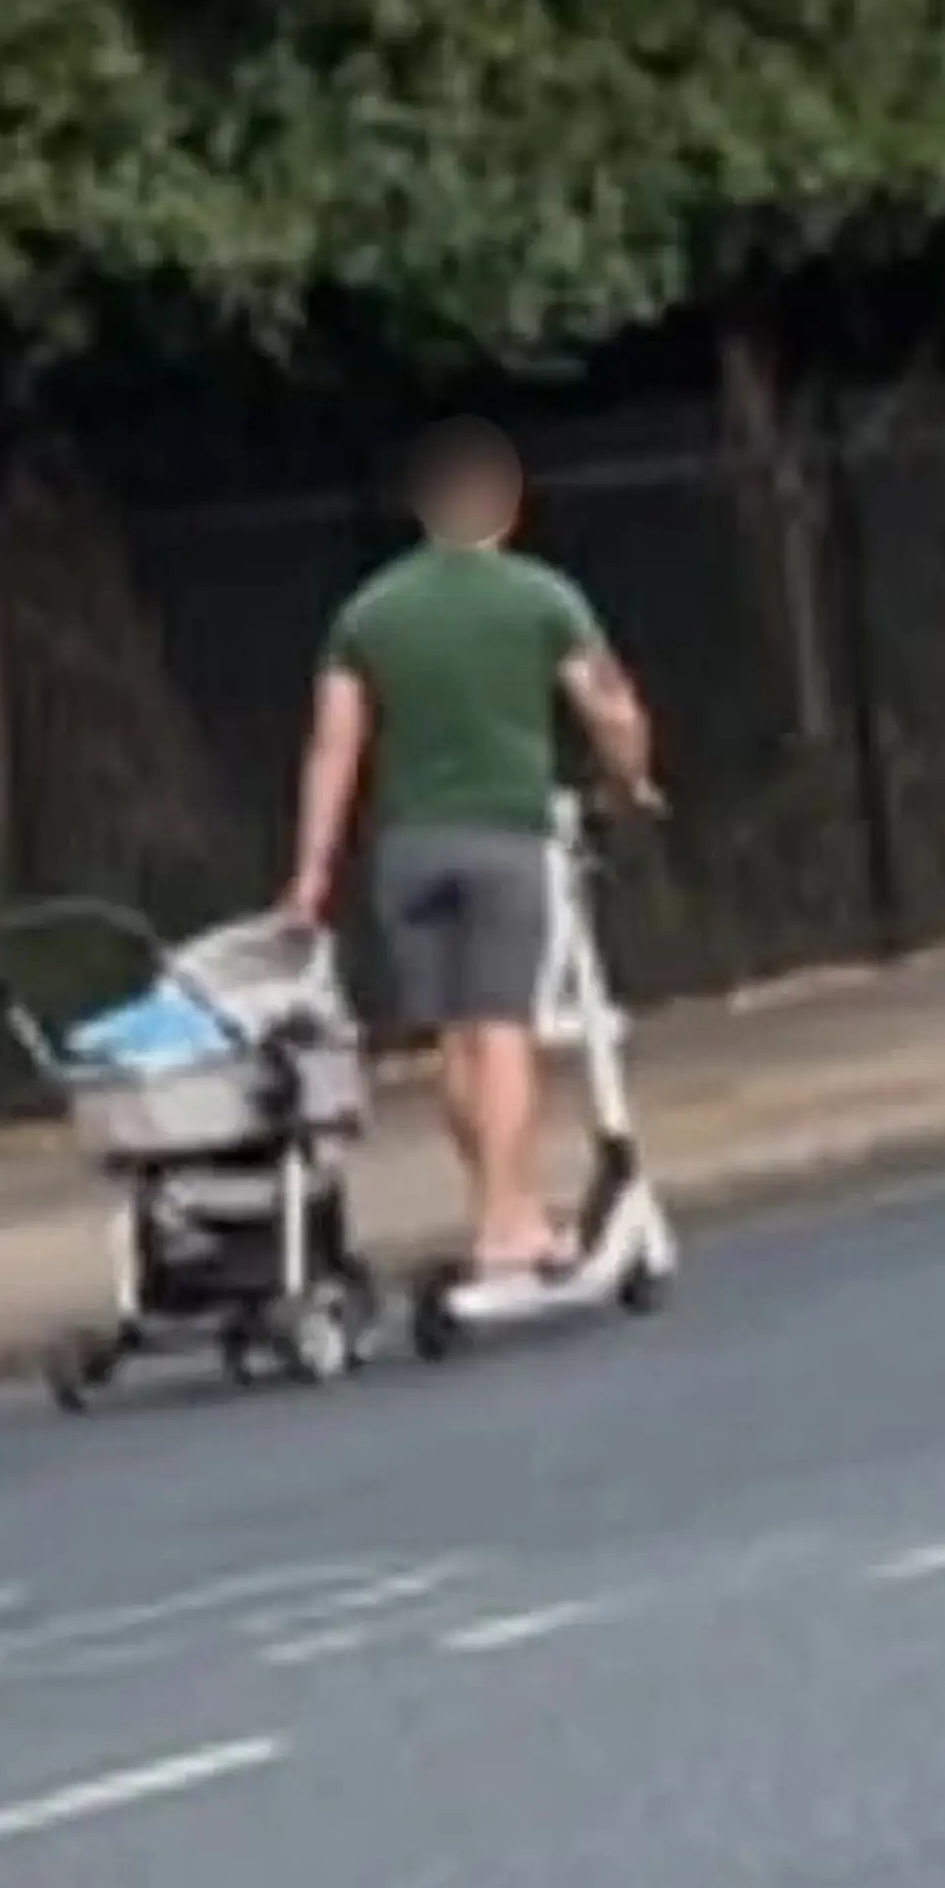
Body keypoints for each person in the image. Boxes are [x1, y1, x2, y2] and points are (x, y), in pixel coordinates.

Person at [283, 419, 658, 1277]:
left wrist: (311, 873)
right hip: (505, 838)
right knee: (504, 1031)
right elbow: (610, 707)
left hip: (409, 849)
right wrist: (631, 780)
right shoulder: (542, 598)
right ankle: (504, 1227)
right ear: (508, 501)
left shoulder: (367, 615)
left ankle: (505, 1206)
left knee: (455, 1040)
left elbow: (333, 748)